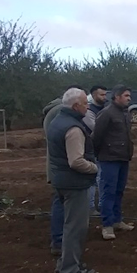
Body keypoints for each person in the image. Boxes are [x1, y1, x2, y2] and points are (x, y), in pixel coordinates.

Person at [46, 88, 98, 273]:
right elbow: (76, 161)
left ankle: (65, 264)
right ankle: (69, 270)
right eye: (85, 103)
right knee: (75, 228)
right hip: (74, 184)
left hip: (60, 180)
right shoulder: (74, 129)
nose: (88, 106)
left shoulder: (56, 122)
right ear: (76, 106)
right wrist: (95, 168)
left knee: (69, 226)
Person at [42, 84, 83, 256]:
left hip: (56, 166)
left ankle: (59, 241)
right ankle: (60, 243)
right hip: (64, 168)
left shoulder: (52, 113)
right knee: (63, 205)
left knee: (59, 202)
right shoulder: (60, 114)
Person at [93, 85, 135, 240]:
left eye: (129, 96)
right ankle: (107, 225)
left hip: (123, 157)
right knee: (108, 192)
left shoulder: (125, 113)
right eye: (126, 95)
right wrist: (100, 155)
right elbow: (96, 137)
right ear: (117, 97)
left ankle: (117, 220)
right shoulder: (106, 114)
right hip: (109, 159)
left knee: (119, 191)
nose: (129, 98)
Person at [84, 85, 107, 216]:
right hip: (91, 148)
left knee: (101, 177)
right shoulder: (89, 110)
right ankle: (90, 206)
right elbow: (95, 128)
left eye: (105, 94)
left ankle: (100, 204)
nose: (104, 97)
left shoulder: (103, 108)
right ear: (93, 95)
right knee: (93, 177)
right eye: (101, 95)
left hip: (101, 147)